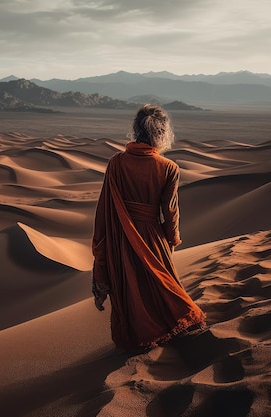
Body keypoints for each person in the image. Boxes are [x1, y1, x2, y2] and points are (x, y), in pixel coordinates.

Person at [91, 104, 206, 350]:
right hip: (153, 238)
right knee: (164, 289)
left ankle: (138, 342)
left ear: (135, 130)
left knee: (131, 293)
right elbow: (170, 213)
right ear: (163, 133)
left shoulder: (116, 163)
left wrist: (101, 257)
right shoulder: (168, 168)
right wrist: (172, 241)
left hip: (120, 239)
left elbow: (102, 212)